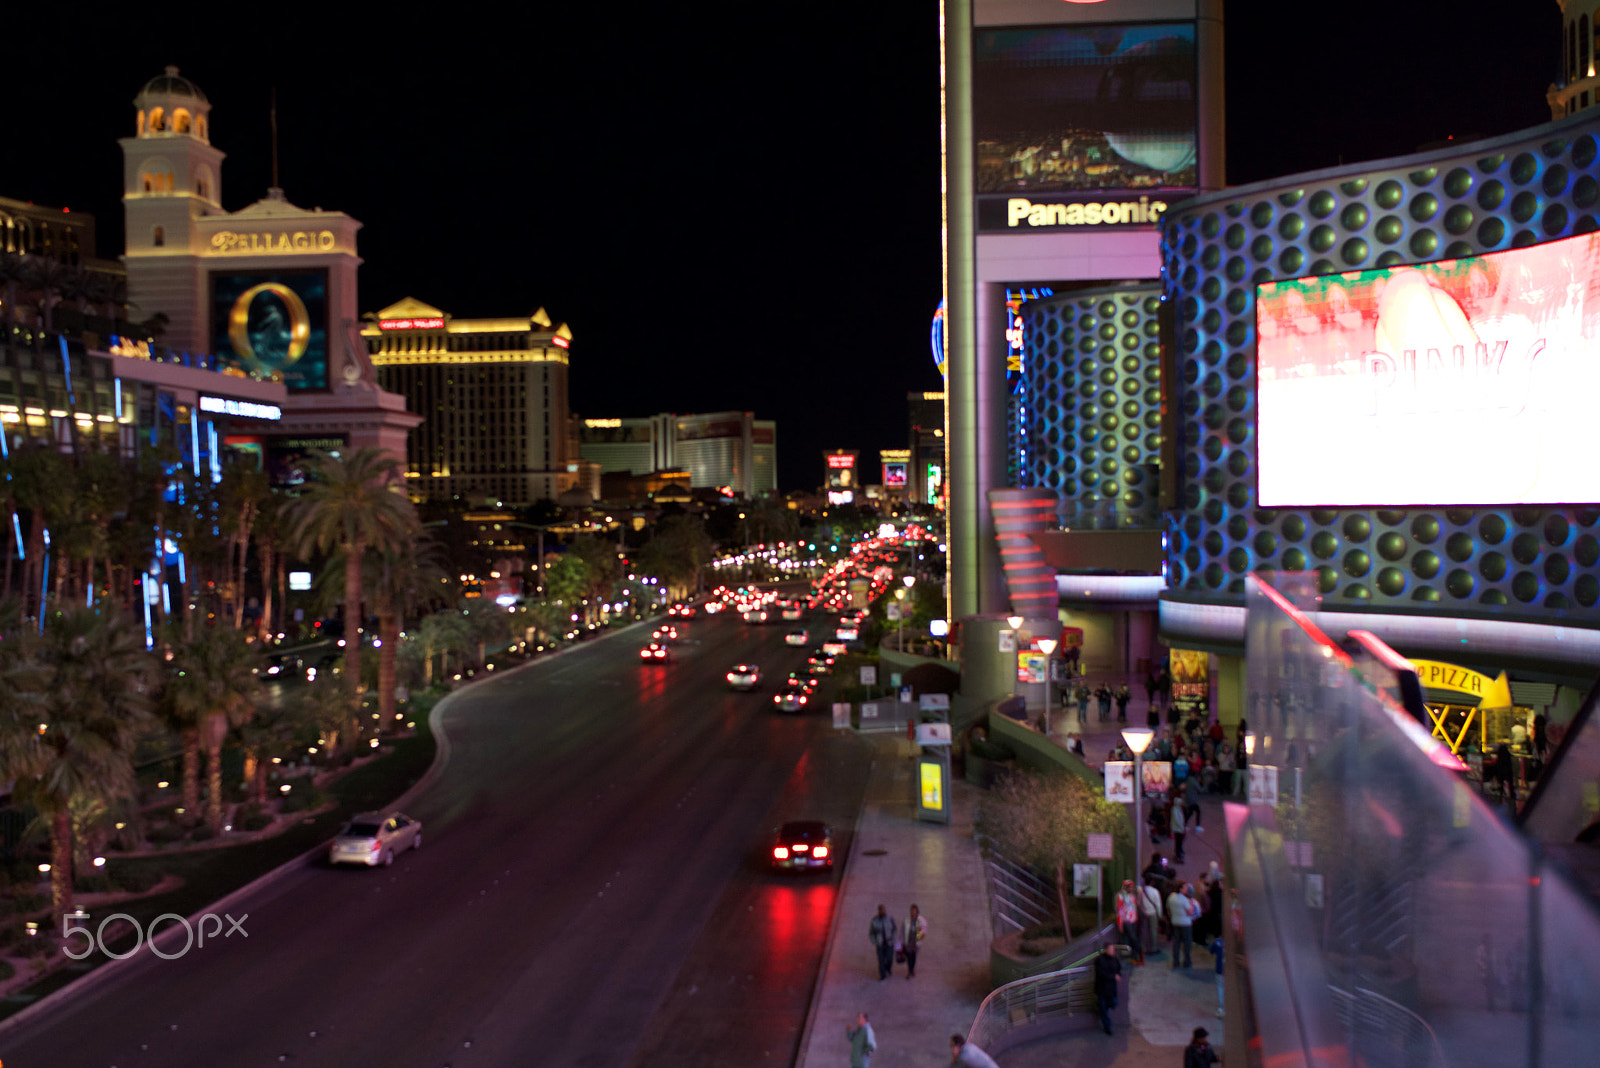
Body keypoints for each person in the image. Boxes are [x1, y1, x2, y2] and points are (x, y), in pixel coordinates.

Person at [1093, 941, 1123, 1035]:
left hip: (1111, 988)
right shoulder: (1099, 960)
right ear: (1106, 950)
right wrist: (1113, 976)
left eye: (1113, 949)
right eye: (1111, 949)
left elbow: (1118, 968)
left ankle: (1099, 1007)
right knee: (1104, 1009)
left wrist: (1118, 975)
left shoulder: (1114, 959)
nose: (1113, 951)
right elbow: (1101, 974)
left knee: (1113, 1003)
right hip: (1102, 988)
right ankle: (1107, 1027)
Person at [1168, 883, 1198, 968]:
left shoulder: (1171, 897)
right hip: (1185, 923)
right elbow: (1190, 912)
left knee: (1176, 942)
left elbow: (1169, 909)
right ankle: (1187, 961)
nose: (1187, 889)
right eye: (1185, 887)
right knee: (1187, 943)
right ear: (1180, 889)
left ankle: (1176, 962)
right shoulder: (1184, 899)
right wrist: (1191, 903)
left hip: (1175, 922)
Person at [1115, 879, 1143, 963]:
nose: (1132, 888)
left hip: (1133, 920)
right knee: (1133, 938)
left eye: (1132, 887)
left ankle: (1134, 955)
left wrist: (1140, 895)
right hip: (1126, 921)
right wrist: (1120, 924)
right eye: (1130, 887)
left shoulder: (1132, 896)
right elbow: (1119, 911)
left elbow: (1135, 907)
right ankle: (1139, 952)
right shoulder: (1120, 896)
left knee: (1131, 938)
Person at [869, 904, 897, 980]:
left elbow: (894, 929)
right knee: (881, 960)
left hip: (889, 942)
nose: (882, 912)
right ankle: (882, 975)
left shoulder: (890, 919)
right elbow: (871, 933)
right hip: (880, 944)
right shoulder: (874, 921)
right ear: (878, 911)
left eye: (883, 910)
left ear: (885, 910)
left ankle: (888, 968)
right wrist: (875, 942)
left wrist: (893, 939)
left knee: (889, 958)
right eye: (880, 910)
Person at [1140, 877, 1163, 959]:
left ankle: (1145, 948)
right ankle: (1154, 948)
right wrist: (1160, 915)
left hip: (1144, 913)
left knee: (1145, 931)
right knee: (1153, 931)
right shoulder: (1155, 891)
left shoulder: (1141, 891)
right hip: (1153, 913)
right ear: (1152, 882)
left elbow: (1139, 903)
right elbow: (1158, 904)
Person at [903, 903, 928, 978]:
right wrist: (903, 940)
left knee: (913, 956)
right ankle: (909, 971)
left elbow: (923, 930)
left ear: (917, 912)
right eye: (912, 911)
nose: (913, 913)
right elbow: (903, 931)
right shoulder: (907, 920)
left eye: (914, 911)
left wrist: (920, 936)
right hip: (909, 941)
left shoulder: (920, 921)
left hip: (916, 941)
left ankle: (912, 969)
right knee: (909, 956)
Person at [1210, 932, 1225, 1018]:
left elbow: (1211, 951)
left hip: (1220, 969)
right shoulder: (1236, 943)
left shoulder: (1217, 942)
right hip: (1231, 971)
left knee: (1220, 988)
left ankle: (1221, 1009)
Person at [1171, 796, 1188, 863]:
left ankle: (1179, 852)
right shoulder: (1175, 810)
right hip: (1177, 828)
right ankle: (1177, 854)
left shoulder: (1179, 809)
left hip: (1180, 828)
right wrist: (1181, 826)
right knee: (1178, 841)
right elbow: (1177, 820)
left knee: (1180, 841)